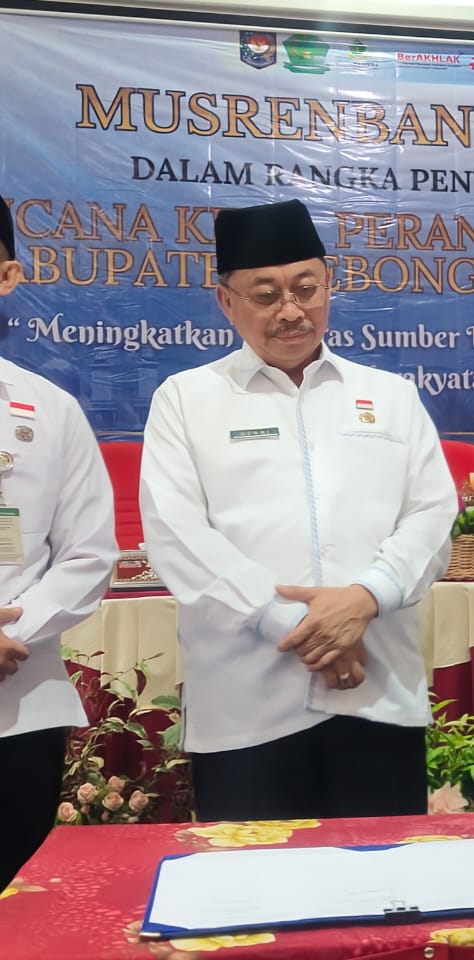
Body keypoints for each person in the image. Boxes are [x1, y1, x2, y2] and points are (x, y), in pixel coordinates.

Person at [139, 199, 456, 822]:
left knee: (384, 875)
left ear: (328, 285)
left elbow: (431, 516)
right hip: (247, 710)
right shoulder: (186, 400)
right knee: (256, 879)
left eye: (306, 289)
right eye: (266, 295)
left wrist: (365, 597)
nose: (291, 311)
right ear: (226, 302)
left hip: (378, 697)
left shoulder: (390, 396)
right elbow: (179, 537)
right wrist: (303, 627)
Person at [0, 193, 117, 885]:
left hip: (20, 705)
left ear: (7, 276)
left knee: (15, 908)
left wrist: (15, 635)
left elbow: (89, 552)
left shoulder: (49, 409)